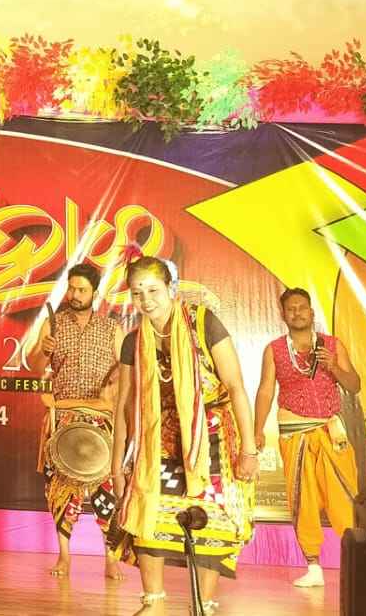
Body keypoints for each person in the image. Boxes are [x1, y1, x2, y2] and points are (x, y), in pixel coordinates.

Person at [108, 257, 257, 616]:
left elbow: (236, 387)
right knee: (148, 515)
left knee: (211, 522)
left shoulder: (204, 324)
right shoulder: (134, 341)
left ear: (171, 289)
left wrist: (250, 450)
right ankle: (153, 603)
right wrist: (117, 466)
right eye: (138, 293)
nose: (146, 300)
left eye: (153, 290)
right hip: (156, 440)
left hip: (213, 438)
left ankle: (203, 605)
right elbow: (125, 404)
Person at [254, 287, 361, 588]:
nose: (297, 312)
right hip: (294, 433)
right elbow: (265, 390)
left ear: (312, 312)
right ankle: (313, 566)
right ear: (283, 315)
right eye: (291, 308)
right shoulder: (274, 350)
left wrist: (333, 366)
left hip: (330, 431)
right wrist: (257, 430)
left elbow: (354, 385)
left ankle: (358, 563)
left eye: (302, 307)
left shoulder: (332, 345)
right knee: (302, 498)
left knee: (346, 496)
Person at [24, 262, 123, 580]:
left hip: (101, 417)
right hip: (63, 416)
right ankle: (64, 556)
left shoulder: (111, 328)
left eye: (82, 290)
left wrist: (114, 388)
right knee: (61, 488)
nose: (75, 295)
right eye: (72, 288)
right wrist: (43, 350)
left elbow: (126, 371)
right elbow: (33, 367)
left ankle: (111, 557)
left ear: (95, 293)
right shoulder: (53, 323)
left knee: (106, 490)